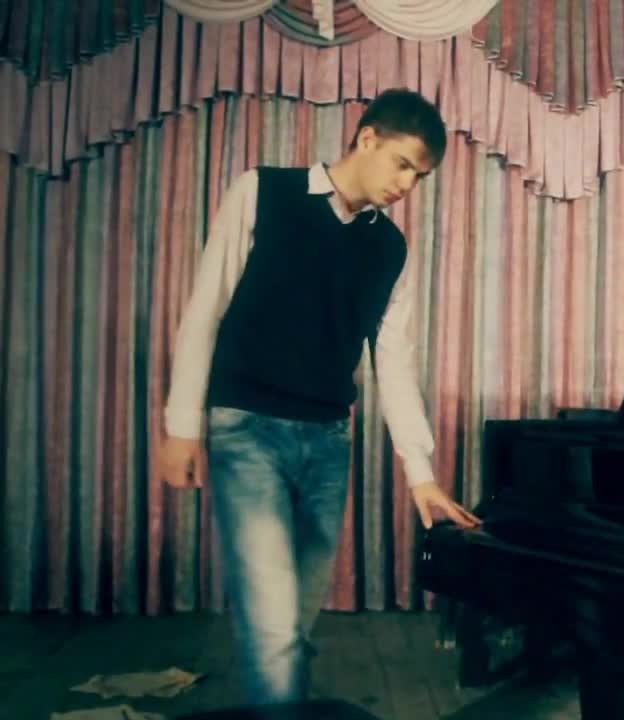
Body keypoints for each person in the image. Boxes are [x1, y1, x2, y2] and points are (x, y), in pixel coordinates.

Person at [158, 87, 480, 707]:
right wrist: (181, 425)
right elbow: (205, 307)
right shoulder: (263, 191)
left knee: (294, 626)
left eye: (420, 176)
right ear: (367, 138)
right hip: (245, 429)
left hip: (328, 442)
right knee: (275, 627)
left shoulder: (390, 248)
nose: (407, 185)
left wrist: (421, 474)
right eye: (403, 164)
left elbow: (394, 362)